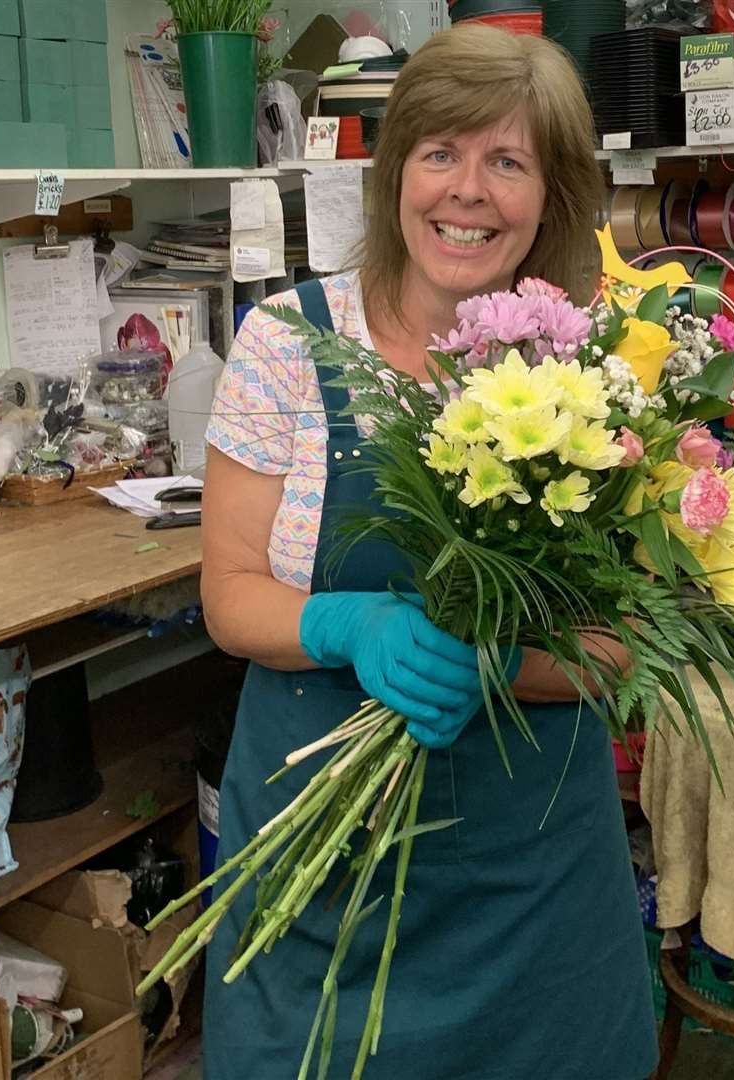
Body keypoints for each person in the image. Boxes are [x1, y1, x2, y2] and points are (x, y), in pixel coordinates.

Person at [199, 23, 657, 1079]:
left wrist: (509, 664)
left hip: (533, 901)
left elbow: (632, 635)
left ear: (552, 195)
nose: (468, 192)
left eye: (509, 162)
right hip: (322, 893)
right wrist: (345, 623)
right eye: (440, 152)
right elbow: (229, 594)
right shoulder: (286, 344)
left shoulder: (597, 371)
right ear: (393, 169)